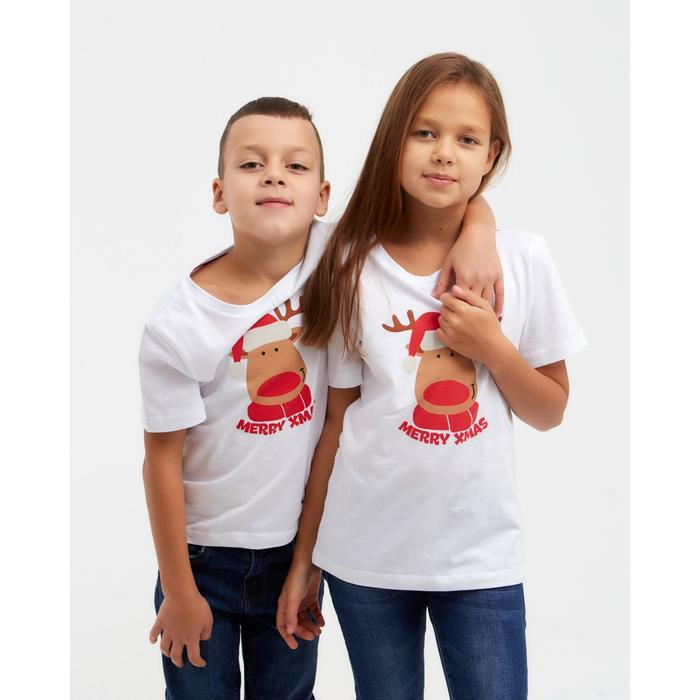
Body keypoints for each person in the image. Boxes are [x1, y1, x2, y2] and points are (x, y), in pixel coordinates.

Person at [139, 95, 501, 699]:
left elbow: (444, 201)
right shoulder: (178, 324)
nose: (274, 176)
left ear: (324, 196)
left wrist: (481, 228)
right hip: (200, 559)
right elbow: (160, 458)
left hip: (296, 552)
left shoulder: (340, 257)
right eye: (251, 164)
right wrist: (178, 592)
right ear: (219, 192)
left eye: (295, 165)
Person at [277, 53, 588, 700]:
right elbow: (336, 424)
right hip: (365, 557)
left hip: (480, 560)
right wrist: (306, 559)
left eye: (467, 139)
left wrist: (493, 347)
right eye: (425, 132)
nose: (444, 152)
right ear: (394, 140)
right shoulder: (348, 263)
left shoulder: (523, 260)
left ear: (491, 156)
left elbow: (550, 410)